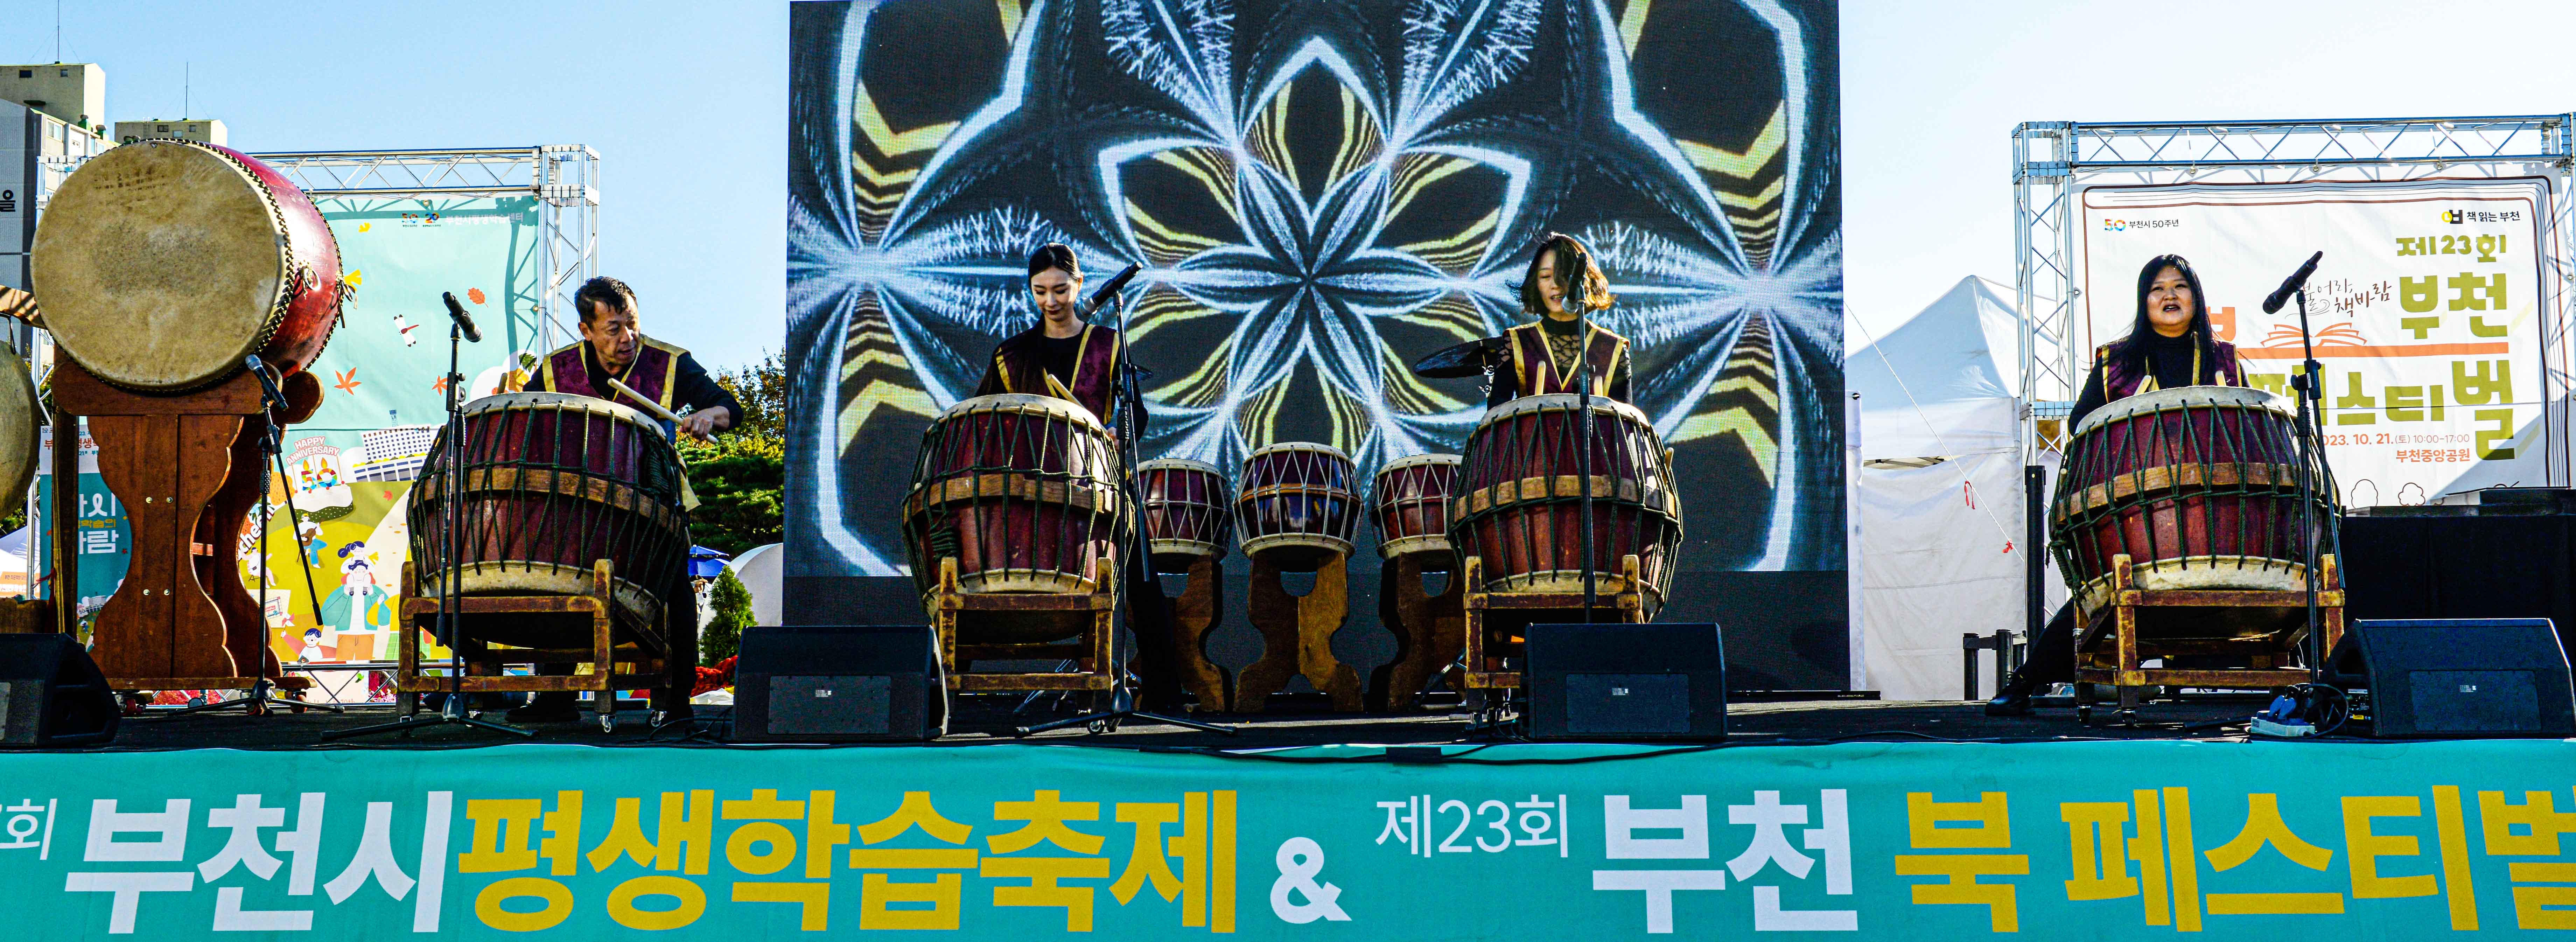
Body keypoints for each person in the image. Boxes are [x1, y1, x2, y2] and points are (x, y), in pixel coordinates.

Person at [1988, 254, 2246, 715]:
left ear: (2196, 297)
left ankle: (2302, 680)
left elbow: (2245, 429)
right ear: (2144, 301)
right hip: (2138, 508)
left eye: (2180, 286)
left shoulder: (2224, 358)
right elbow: (2081, 425)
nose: (2169, 295)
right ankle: (2026, 679)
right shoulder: (2117, 361)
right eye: (2157, 288)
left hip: (2212, 508)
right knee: (2103, 595)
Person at [510, 276, 742, 724]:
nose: (627, 338)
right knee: (558, 577)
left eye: (632, 325)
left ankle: (676, 702)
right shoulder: (557, 369)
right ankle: (555, 695)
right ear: (586, 330)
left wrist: (706, 416)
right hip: (579, 505)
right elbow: (528, 427)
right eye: (614, 328)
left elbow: (727, 406)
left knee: (674, 587)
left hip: (653, 500)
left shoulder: (669, 363)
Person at [975, 243, 1127, 428]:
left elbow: (1137, 411)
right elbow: (982, 419)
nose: (1051, 301)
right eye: (1040, 292)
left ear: (1079, 283)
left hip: (1091, 457)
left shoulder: (1107, 344)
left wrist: (1121, 436)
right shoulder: (1010, 355)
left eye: (1060, 291)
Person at [1486, 232, 1633, 407]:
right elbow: (1496, 419)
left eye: (1563, 275)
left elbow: (1625, 426)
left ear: (1583, 283)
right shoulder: (1517, 343)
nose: (1555, 284)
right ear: (1536, 284)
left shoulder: (1614, 349)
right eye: (1545, 277)